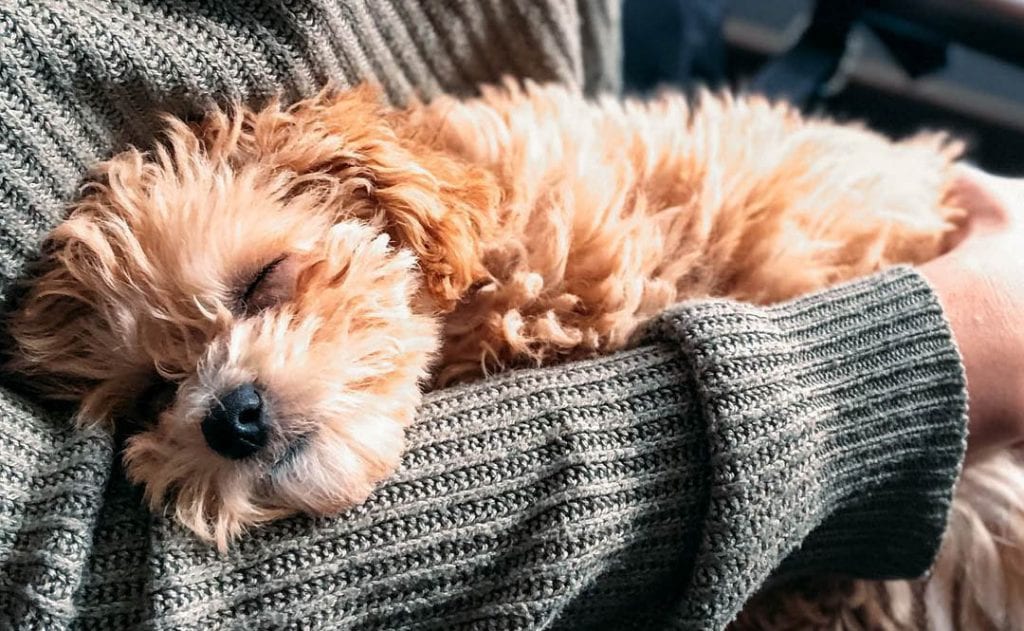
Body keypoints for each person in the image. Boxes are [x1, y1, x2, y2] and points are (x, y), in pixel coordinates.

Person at [0, 2, 1020, 629]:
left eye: (267, 288)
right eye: (155, 396)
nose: (222, 403)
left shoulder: (539, 229)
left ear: (378, 199)